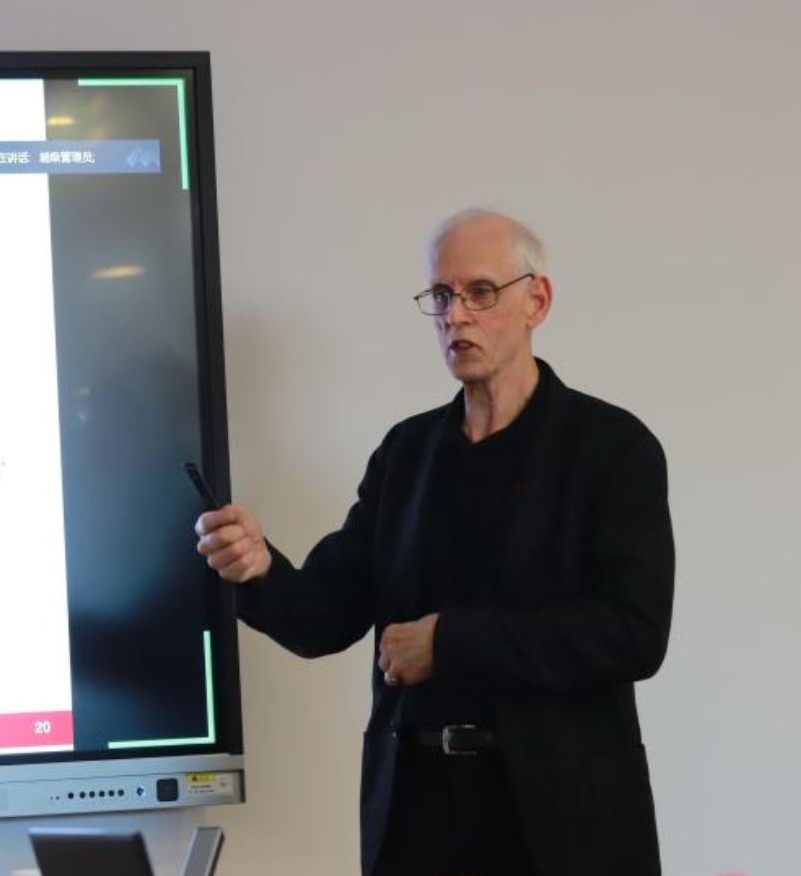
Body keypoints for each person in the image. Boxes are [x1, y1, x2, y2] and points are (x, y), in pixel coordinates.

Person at [195, 209, 674, 876]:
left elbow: (632, 633)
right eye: (442, 296)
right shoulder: (407, 452)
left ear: (537, 301)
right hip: (418, 817)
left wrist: (449, 643)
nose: (456, 316)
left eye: (480, 292)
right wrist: (258, 569)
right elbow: (325, 616)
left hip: (564, 823)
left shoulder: (612, 448)